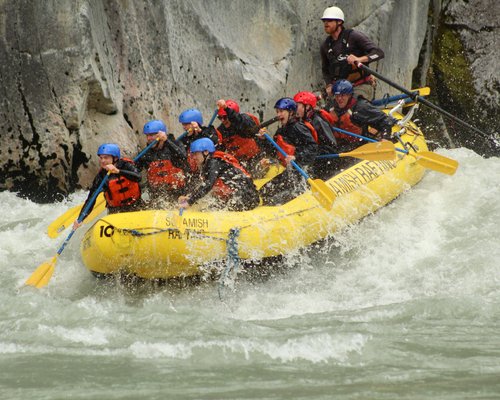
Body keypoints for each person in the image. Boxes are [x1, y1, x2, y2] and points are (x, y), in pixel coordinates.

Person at [258, 98, 319, 206]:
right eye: (277, 112)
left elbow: (313, 147)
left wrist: (296, 157)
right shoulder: (281, 130)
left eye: (281, 111)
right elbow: (274, 151)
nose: (278, 114)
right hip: (291, 172)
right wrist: (264, 140)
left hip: (303, 172)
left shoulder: (298, 127)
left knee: (278, 197)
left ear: (291, 112)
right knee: (264, 191)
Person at [320, 6, 384, 102]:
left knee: (350, 106)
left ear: (339, 22)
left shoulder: (353, 36)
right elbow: (325, 70)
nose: (326, 23)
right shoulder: (325, 46)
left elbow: (379, 53)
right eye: (324, 21)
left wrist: (359, 59)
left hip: (360, 86)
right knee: (327, 112)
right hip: (339, 91)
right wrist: (329, 84)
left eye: (329, 20)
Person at [178, 138, 260, 212]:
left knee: (210, 210)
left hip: (247, 198)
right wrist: (189, 196)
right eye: (193, 154)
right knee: (208, 208)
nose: (194, 157)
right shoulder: (207, 164)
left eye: (196, 154)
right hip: (239, 197)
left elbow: (209, 184)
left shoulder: (214, 162)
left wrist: (190, 201)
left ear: (206, 152)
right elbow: (205, 187)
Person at [73, 143, 142, 229]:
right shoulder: (101, 177)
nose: (102, 161)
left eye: (106, 158)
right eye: (101, 158)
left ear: (115, 158)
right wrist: (80, 219)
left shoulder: (126, 165)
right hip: (116, 212)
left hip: (136, 206)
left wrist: (118, 171)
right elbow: (91, 200)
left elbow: (138, 177)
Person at [329, 80, 397, 150]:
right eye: (337, 96)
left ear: (349, 95)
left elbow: (386, 120)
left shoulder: (361, 107)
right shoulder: (333, 107)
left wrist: (385, 138)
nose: (339, 99)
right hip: (340, 145)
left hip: (359, 146)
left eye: (342, 95)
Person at [136, 120, 190, 206]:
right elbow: (135, 172)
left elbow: (183, 157)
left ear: (161, 134)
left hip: (180, 193)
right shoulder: (146, 154)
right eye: (147, 135)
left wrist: (167, 141)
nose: (149, 138)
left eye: (152, 135)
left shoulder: (175, 145)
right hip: (157, 196)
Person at [293, 91, 340, 178]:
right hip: (310, 157)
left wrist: (308, 154)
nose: (294, 109)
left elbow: (331, 147)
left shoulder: (318, 121)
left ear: (307, 107)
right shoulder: (300, 121)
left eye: (297, 106)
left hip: (324, 161)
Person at [216, 99, 263, 175]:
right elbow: (218, 151)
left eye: (225, 117)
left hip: (258, 158)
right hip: (241, 165)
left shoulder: (244, 120)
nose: (223, 120)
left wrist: (226, 108)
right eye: (220, 117)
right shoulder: (221, 131)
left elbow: (239, 121)